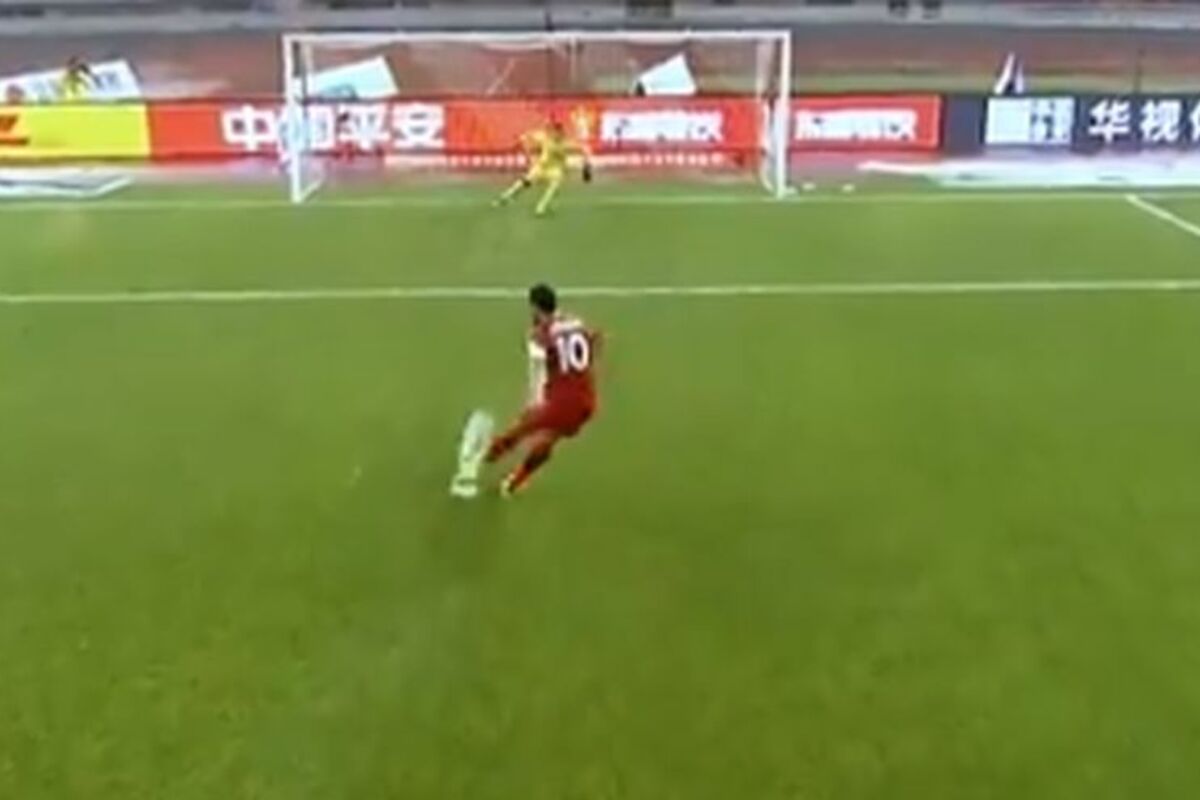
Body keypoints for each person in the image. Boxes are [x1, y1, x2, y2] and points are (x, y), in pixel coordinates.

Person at [485, 283, 601, 496]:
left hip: (562, 404)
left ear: (536, 308)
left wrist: (534, 402)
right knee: (549, 438)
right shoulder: (576, 323)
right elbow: (594, 339)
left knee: (521, 429)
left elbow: (537, 372)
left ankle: (489, 455)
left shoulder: (540, 335)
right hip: (587, 401)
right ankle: (514, 482)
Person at [493, 119, 592, 216]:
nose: (555, 134)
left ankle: (541, 207)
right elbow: (526, 136)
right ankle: (505, 198)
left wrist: (586, 165)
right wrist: (524, 143)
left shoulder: (566, 143)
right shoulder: (544, 137)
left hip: (555, 169)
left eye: (558, 132)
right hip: (541, 167)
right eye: (554, 131)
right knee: (524, 182)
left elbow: (584, 149)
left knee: (555, 184)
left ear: (561, 133)